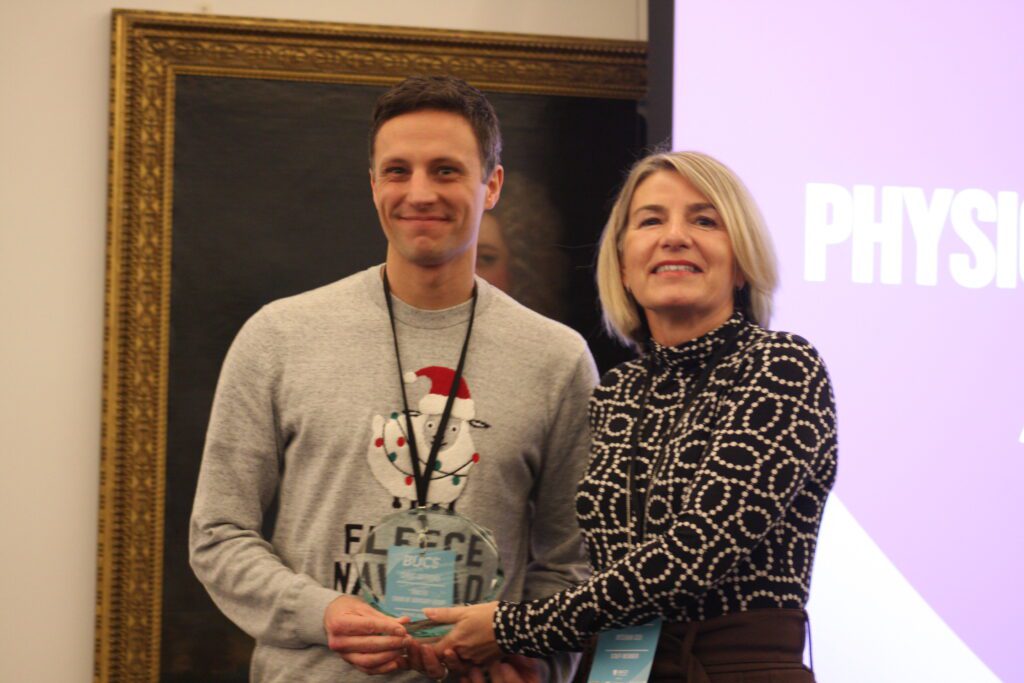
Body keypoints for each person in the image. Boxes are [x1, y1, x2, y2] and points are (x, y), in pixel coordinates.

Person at [189, 75, 597, 683]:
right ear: (374, 184)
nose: (420, 192)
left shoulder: (557, 359)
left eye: (446, 170)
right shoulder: (278, 336)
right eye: (398, 170)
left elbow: (574, 564)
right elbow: (219, 535)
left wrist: (537, 657)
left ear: (492, 186)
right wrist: (320, 612)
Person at [425, 151, 838, 682]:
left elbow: (694, 556)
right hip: (617, 668)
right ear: (622, 261)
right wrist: (526, 655)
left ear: (741, 259)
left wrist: (512, 630)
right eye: (650, 220)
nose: (674, 236)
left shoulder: (782, 367)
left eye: (704, 220)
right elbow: (595, 569)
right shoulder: (616, 392)